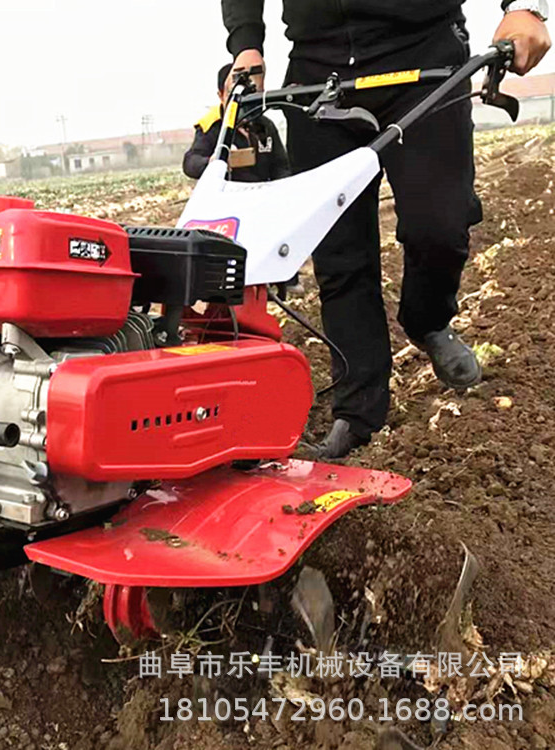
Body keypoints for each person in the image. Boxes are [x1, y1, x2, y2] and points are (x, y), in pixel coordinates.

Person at [221, 0, 551, 458]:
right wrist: (246, 46)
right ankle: (356, 414)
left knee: (440, 222)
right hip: (319, 70)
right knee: (340, 254)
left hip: (422, 52)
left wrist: (527, 9)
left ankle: (428, 320)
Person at [183, 63, 290, 182]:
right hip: (230, 195)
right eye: (233, 94)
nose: (241, 101)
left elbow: (281, 166)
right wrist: (212, 162)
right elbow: (190, 163)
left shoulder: (265, 125)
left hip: (263, 193)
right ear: (221, 95)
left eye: (247, 94)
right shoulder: (211, 126)